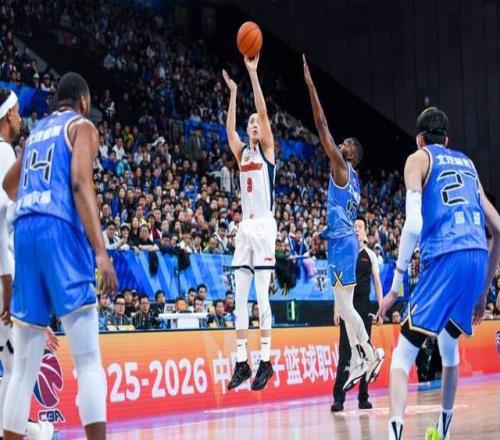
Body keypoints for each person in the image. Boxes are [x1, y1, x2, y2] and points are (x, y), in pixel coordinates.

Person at [2, 73, 117, 440]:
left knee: (22, 371)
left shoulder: (35, 134)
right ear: (83, 101)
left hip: (24, 233)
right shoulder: (82, 126)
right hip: (59, 231)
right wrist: (101, 252)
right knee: (88, 360)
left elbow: (8, 184)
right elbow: (80, 182)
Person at [377, 107, 500, 440]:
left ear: (419, 139)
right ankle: (443, 431)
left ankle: (394, 436)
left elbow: (413, 225)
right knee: (448, 347)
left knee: (402, 354)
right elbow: (499, 229)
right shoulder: (469, 165)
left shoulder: (417, 159)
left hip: (446, 253)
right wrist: (483, 293)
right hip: (477, 255)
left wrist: (396, 285)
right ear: (447, 140)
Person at [303, 55, 384, 392]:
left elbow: (321, 126)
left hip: (342, 245)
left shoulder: (340, 167)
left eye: (347, 143)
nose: (342, 143)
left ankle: (369, 352)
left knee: (345, 307)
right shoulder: (355, 180)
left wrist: (310, 86)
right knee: (345, 305)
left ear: (351, 155)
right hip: (344, 241)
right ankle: (360, 359)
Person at [0, 89, 58, 439]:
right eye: (19, 112)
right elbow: (6, 231)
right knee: (19, 368)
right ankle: (28, 432)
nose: (21, 118)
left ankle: (28, 430)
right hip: (5, 279)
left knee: (12, 365)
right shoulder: (5, 154)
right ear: (8, 115)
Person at [223, 54, 277, 391]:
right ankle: (242, 362)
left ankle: (266, 362)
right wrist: (232, 93)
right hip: (245, 227)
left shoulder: (268, 151)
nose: (255, 123)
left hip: (265, 227)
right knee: (240, 297)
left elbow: (264, 113)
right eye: (251, 122)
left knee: (261, 296)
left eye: (258, 121)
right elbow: (229, 130)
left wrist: (253, 74)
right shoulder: (242, 152)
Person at [332, 216, 384, 412]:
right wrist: (337, 309)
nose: (356, 229)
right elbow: (337, 285)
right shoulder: (344, 254)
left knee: (365, 349)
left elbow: (377, 283)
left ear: (365, 232)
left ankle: (363, 397)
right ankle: (339, 398)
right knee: (345, 352)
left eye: (360, 227)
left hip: (363, 306)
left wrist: (381, 308)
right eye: (354, 227)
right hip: (347, 305)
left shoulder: (370, 255)